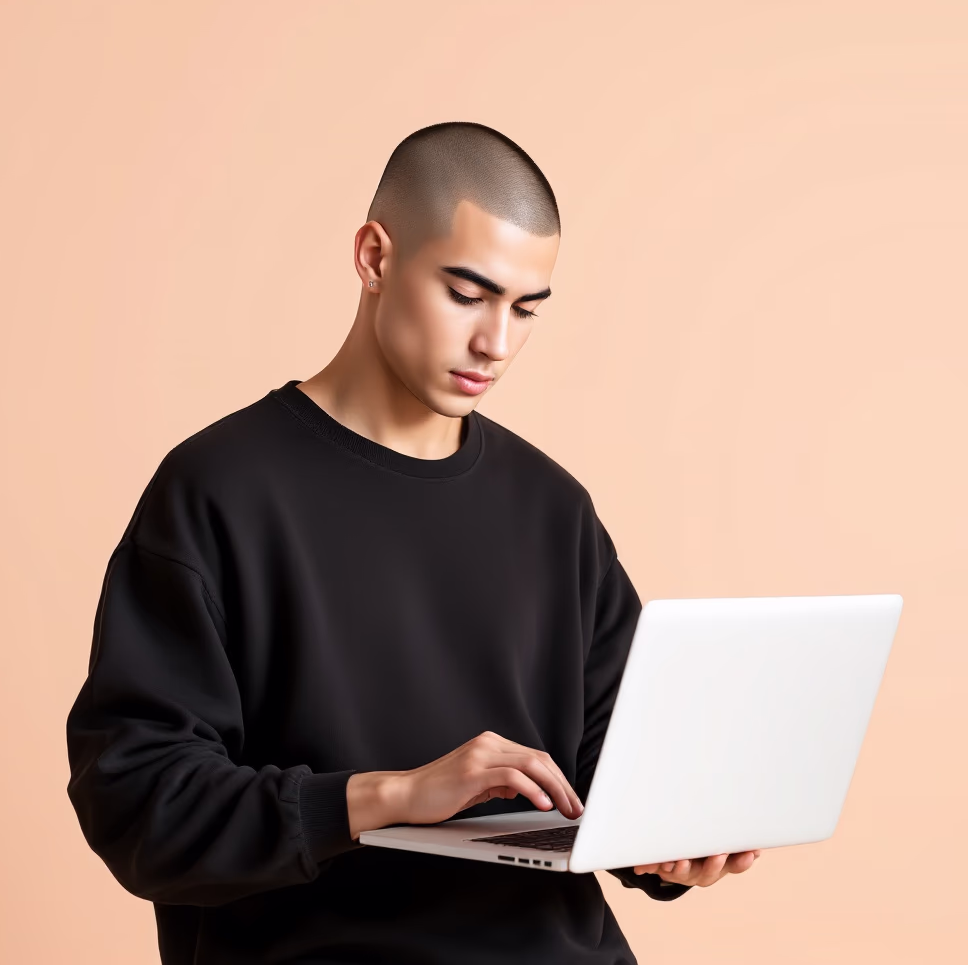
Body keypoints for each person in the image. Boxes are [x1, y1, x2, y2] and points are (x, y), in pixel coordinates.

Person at [66, 121, 759, 965]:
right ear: (373, 257)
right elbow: (139, 807)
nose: (495, 344)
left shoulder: (553, 508)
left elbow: (616, 775)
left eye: (525, 309)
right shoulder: (219, 490)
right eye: (466, 294)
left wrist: (675, 844)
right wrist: (392, 797)